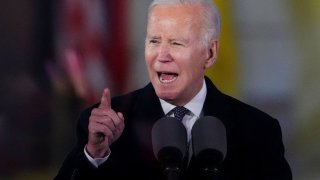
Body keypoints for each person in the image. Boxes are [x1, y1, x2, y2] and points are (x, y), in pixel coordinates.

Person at [54, 0, 292, 179]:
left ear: (210, 53)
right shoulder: (103, 125)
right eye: (154, 41)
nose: (162, 56)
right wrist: (94, 155)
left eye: (177, 43)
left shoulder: (259, 130)